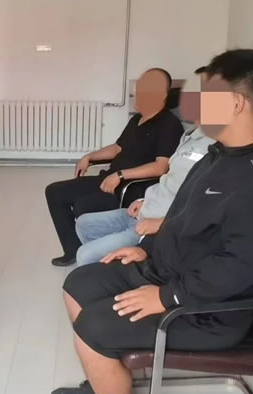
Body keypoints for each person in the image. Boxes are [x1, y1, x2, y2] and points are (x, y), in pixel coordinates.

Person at [50, 49, 253, 394]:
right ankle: (105, 385)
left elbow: (238, 265)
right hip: (170, 272)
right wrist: (148, 250)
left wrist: (166, 297)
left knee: (92, 325)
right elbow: (182, 219)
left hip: (206, 310)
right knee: (79, 283)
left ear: (236, 103)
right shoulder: (218, 155)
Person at [74, 69, 216, 266]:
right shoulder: (189, 136)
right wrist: (144, 200)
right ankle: (111, 266)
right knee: (84, 224)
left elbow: (202, 208)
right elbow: (168, 178)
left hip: (155, 224)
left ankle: (114, 269)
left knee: (85, 255)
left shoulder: (216, 149)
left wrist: (162, 222)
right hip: (143, 208)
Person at [45, 68, 185, 266]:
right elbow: (118, 147)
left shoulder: (169, 124)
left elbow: (161, 166)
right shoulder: (137, 119)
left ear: (162, 94)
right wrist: (89, 156)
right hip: (110, 178)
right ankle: (72, 250)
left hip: (130, 188)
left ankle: (104, 252)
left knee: (83, 206)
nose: (138, 93)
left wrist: (120, 175)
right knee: (54, 192)